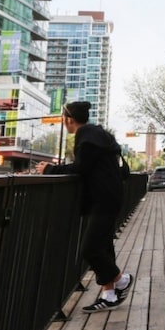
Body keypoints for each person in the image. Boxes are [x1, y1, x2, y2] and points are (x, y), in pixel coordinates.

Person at [36, 100, 133, 312]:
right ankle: (108, 294)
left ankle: (121, 280)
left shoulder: (86, 137)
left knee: (90, 249)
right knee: (104, 246)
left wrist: (50, 169)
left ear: (69, 119)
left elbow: (80, 168)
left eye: (64, 119)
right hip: (109, 197)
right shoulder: (98, 134)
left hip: (103, 199)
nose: (64, 123)